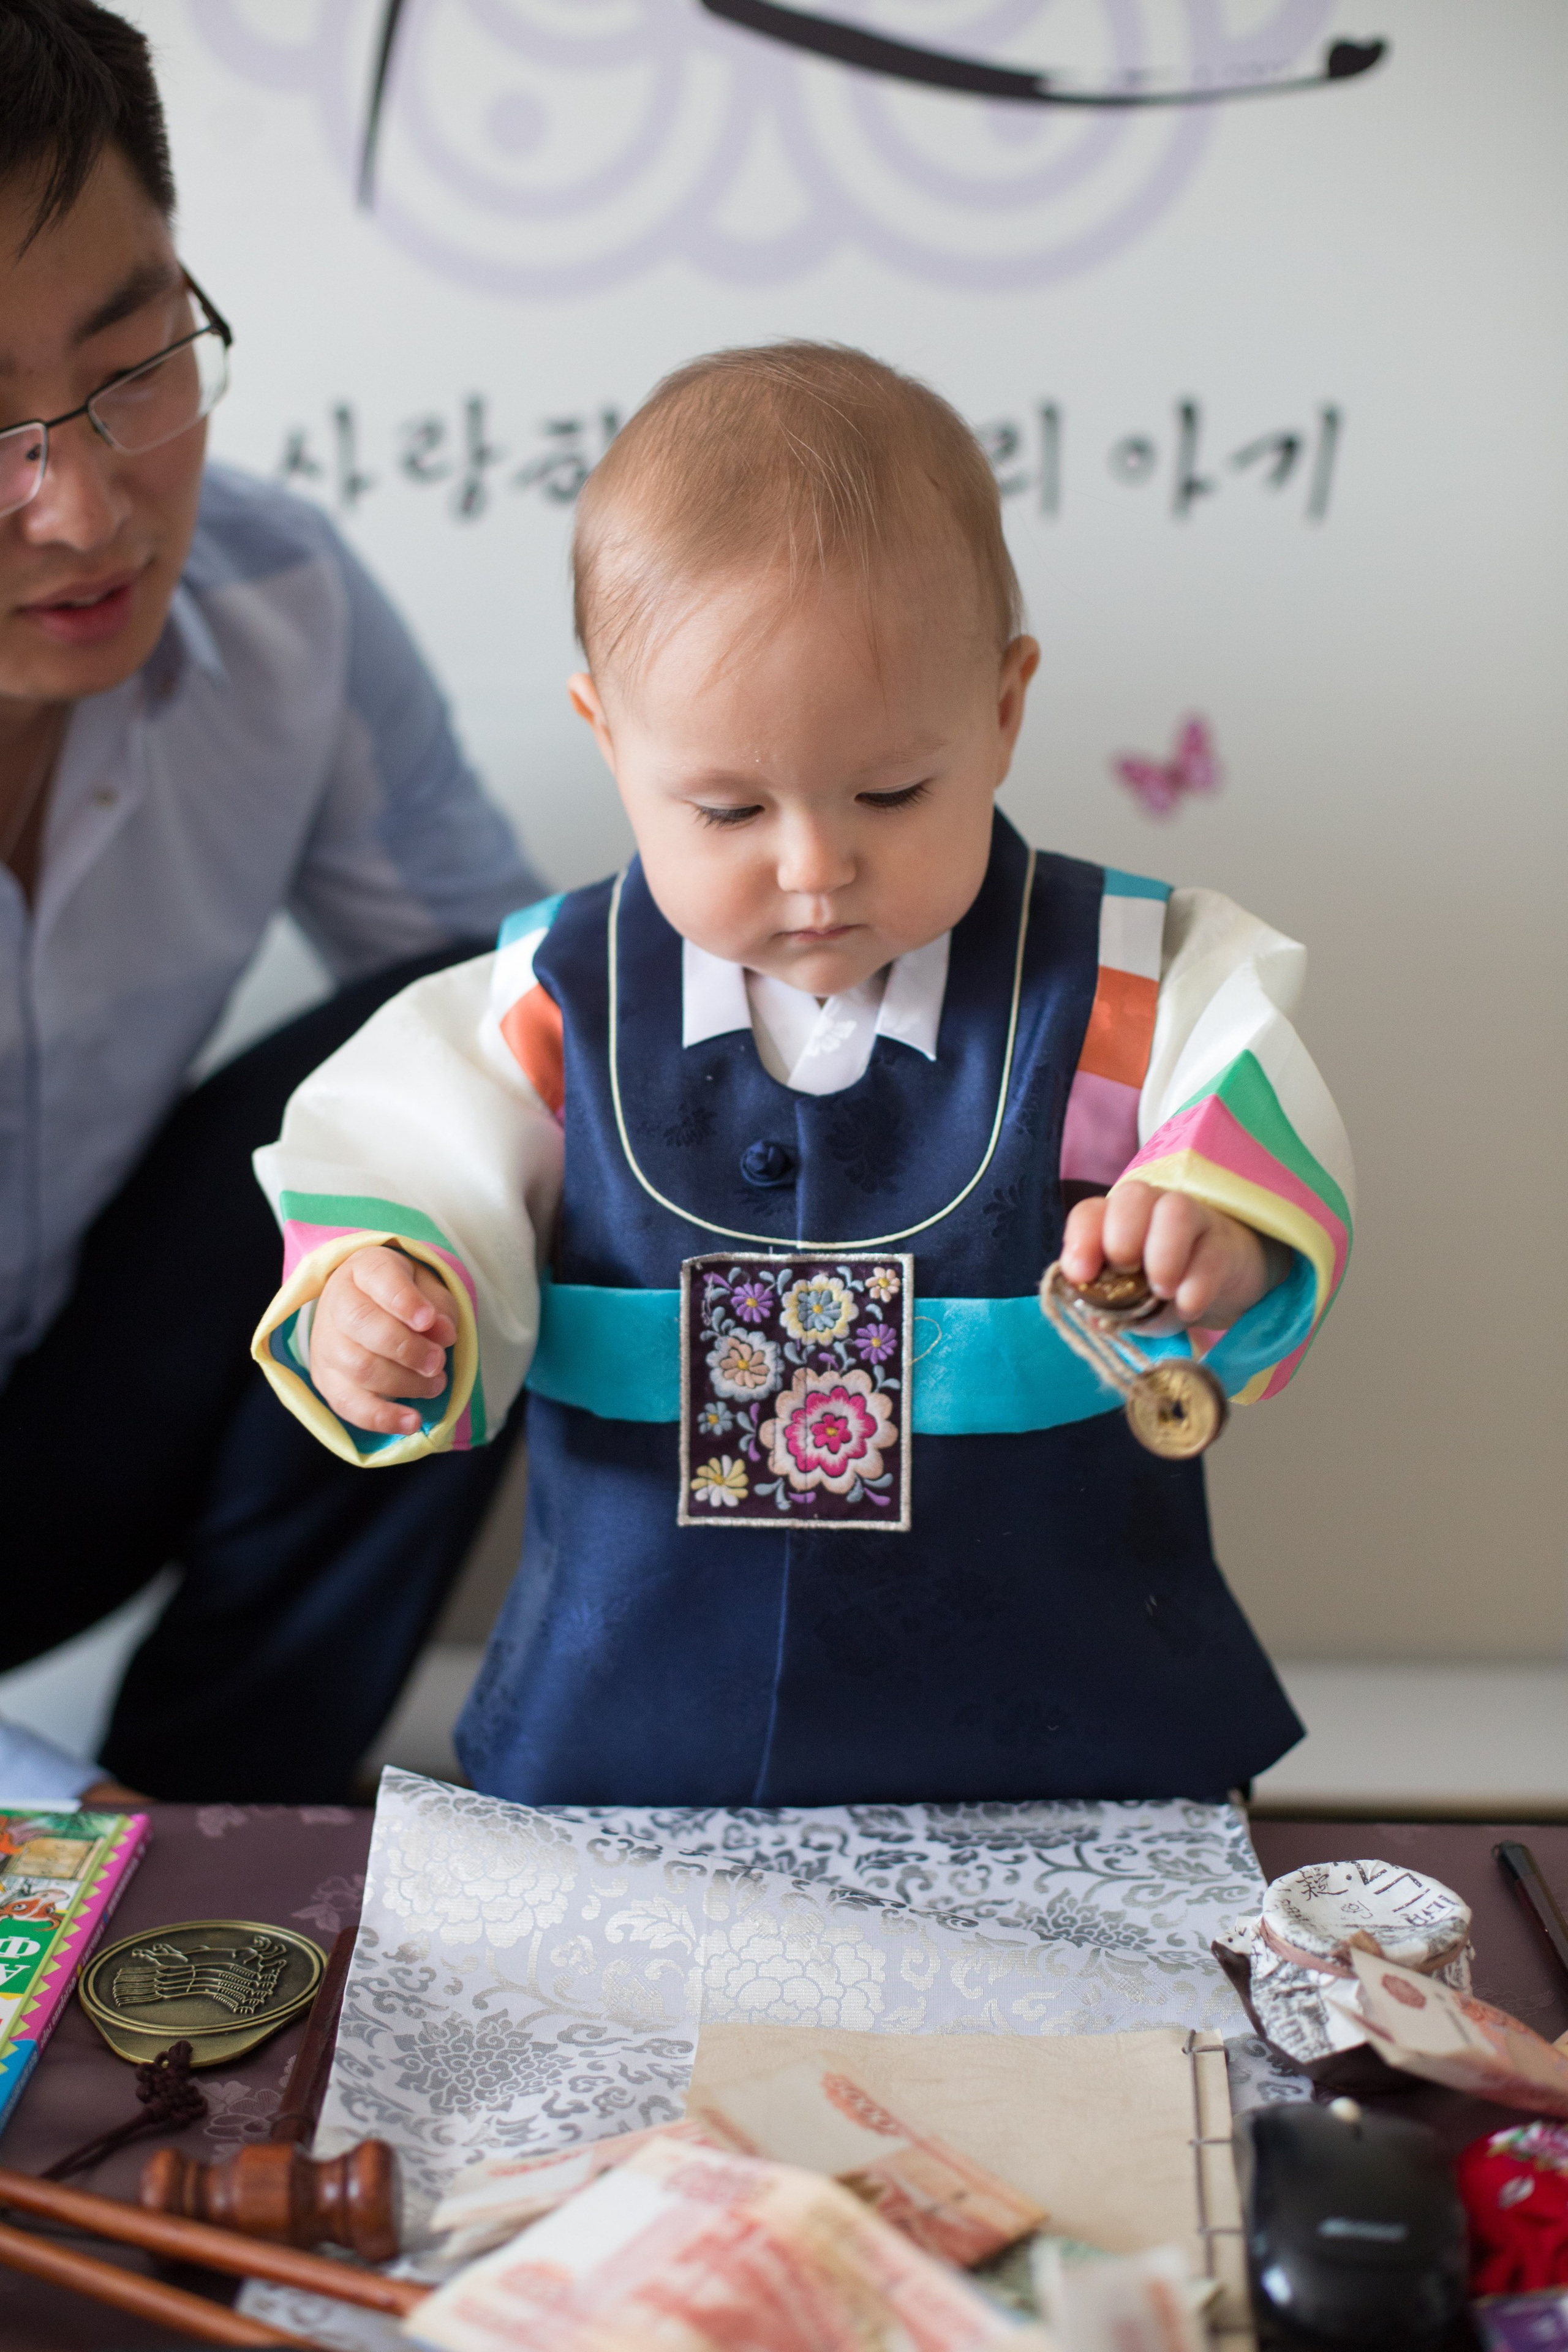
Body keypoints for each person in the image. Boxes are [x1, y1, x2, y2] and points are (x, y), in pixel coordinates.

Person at [252, 342, 1354, 1807]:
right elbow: (403, 1151)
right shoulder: (549, 999)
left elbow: (1246, 1089)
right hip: (637, 1700)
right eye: (723, 806)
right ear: (608, 739)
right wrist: (383, 1295)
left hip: (1062, 1697)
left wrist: (1210, 1223)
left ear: (1004, 711)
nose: (814, 865)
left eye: (890, 792)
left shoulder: (1129, 976)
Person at [0, 0, 541, 1806]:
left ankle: (234, 1843)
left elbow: (537, 1020)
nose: (81, 508)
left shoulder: (280, 601)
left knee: (488, 1065)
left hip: (56, 1438)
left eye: (134, 362)